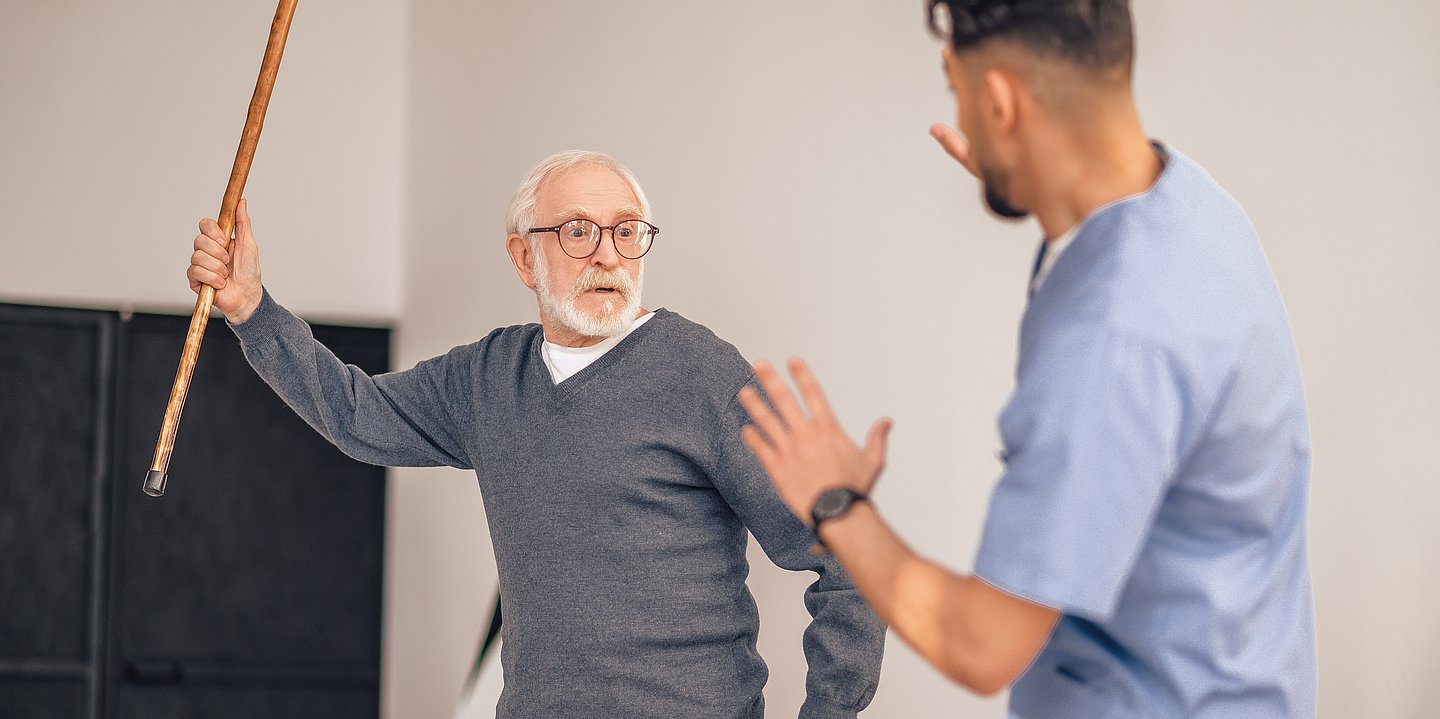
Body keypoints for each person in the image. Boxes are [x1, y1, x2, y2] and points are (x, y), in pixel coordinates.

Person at [737, 1, 1315, 717]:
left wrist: (837, 505)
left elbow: (981, 642)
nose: (964, 118)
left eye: (961, 95)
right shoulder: (1190, 206)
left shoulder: (1115, 334)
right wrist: (1028, 166)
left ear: (1002, 104)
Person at [185, 150, 885, 718]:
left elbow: (849, 556)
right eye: (577, 231)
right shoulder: (487, 377)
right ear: (525, 259)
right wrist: (252, 310)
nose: (608, 255)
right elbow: (356, 414)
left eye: (627, 230)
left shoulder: (703, 375)